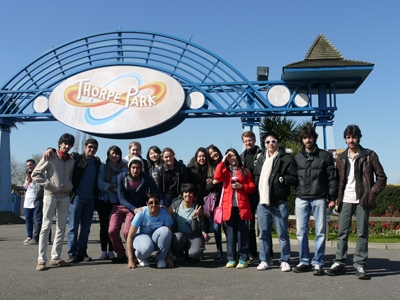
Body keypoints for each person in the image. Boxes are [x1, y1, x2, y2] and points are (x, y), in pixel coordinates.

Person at [325, 125, 387, 279]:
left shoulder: (369, 155)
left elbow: (381, 178)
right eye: (348, 137)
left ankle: (359, 264)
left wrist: (371, 194)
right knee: (342, 233)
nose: (350, 140)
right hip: (345, 199)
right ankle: (339, 262)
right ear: (345, 139)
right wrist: (334, 199)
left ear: (359, 137)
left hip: (362, 201)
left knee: (362, 233)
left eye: (353, 137)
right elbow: (338, 180)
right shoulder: (341, 157)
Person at [293, 125, 338, 275]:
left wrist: (332, 197)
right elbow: (294, 178)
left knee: (320, 231)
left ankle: (318, 262)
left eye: (310, 137)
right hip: (301, 198)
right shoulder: (297, 157)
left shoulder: (325, 156)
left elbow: (332, 178)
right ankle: (304, 261)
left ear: (314, 138)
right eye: (305, 137)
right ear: (302, 139)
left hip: (319, 197)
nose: (308, 140)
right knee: (300, 231)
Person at [253, 132, 298, 272]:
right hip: (263, 202)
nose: (270, 144)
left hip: (279, 201)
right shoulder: (261, 158)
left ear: (277, 142)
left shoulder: (286, 158)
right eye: (267, 142)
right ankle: (264, 260)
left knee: (282, 233)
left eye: (273, 141)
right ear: (264, 144)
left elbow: (295, 178)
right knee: (263, 233)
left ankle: (285, 260)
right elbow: (256, 176)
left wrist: (283, 180)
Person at [32, 133, 75, 271]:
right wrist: (48, 184)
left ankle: (55, 257)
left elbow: (70, 176)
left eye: (69, 144)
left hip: (65, 196)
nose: (67, 146)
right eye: (65, 143)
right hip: (50, 194)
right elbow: (35, 174)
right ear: (60, 143)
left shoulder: (71, 160)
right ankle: (41, 259)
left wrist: (69, 186)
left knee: (61, 227)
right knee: (46, 226)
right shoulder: (50, 156)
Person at [109, 156, 163, 263]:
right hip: (121, 206)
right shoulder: (121, 177)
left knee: (127, 232)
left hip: (136, 208)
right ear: (129, 168)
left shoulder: (145, 177)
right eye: (133, 167)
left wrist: (160, 203)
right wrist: (133, 208)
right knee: (112, 231)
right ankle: (120, 254)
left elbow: (156, 190)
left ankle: (134, 254)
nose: (135, 170)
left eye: (138, 168)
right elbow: (121, 198)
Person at [214, 148, 256, 269]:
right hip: (228, 207)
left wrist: (241, 186)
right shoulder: (225, 171)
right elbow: (217, 176)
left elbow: (252, 187)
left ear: (237, 157)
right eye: (229, 156)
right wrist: (222, 161)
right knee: (230, 234)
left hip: (241, 206)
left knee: (242, 234)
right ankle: (231, 258)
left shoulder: (245, 171)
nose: (231, 158)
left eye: (233, 156)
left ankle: (243, 258)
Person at [240, 131, 273, 265]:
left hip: (261, 193)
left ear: (254, 140)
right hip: (247, 195)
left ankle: (269, 254)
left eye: (250, 140)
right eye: (246, 141)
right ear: (243, 142)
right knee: (249, 227)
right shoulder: (241, 157)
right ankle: (253, 254)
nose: (248, 142)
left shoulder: (263, 154)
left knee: (264, 226)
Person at [66, 138, 101, 263]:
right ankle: (72, 254)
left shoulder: (97, 162)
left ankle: (82, 252)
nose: (92, 149)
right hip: (76, 198)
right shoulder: (76, 158)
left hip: (90, 199)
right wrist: (51, 149)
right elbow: (63, 153)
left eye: (95, 148)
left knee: (86, 228)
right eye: (90, 147)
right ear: (85, 147)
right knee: (73, 227)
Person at [126, 193, 174, 269]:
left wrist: (169, 257)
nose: (154, 205)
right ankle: (141, 257)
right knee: (146, 248)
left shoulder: (165, 213)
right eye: (151, 202)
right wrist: (130, 260)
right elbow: (130, 236)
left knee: (166, 231)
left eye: (156, 202)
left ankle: (161, 258)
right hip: (142, 237)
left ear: (160, 203)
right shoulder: (141, 213)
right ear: (146, 203)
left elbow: (170, 237)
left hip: (155, 238)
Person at [97, 145, 127, 260]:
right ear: (108, 155)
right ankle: (104, 251)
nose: (114, 155)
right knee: (103, 226)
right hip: (103, 200)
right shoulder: (102, 167)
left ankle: (111, 250)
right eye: (112, 153)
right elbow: (99, 184)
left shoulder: (124, 169)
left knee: (113, 227)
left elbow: (123, 186)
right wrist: (113, 186)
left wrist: (109, 187)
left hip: (116, 201)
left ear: (120, 155)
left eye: (116, 153)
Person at [171, 184, 205, 265]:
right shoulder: (176, 205)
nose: (188, 195)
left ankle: (193, 256)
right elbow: (167, 211)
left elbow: (196, 231)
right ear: (182, 194)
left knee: (195, 253)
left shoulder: (198, 208)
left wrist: (194, 218)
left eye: (190, 193)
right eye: (185, 192)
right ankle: (179, 255)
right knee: (177, 237)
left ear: (193, 195)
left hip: (193, 235)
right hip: (180, 235)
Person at [25, 159, 51, 246]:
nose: (29, 167)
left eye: (30, 165)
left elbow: (40, 188)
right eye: (28, 166)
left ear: (35, 164)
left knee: (40, 219)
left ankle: (37, 238)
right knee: (41, 218)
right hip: (35, 199)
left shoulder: (38, 173)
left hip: (40, 198)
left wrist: (37, 197)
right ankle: (41, 238)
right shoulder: (31, 175)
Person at [187, 147, 212, 241]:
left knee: (205, 220)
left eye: (203, 156)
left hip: (205, 197)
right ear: (196, 157)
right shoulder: (190, 168)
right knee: (195, 220)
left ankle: (204, 238)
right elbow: (187, 183)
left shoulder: (209, 168)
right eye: (199, 156)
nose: (202, 158)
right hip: (194, 197)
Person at [206, 145, 225, 261]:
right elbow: (207, 187)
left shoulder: (225, 164)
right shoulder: (209, 168)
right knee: (217, 227)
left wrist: (216, 180)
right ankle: (219, 251)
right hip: (215, 201)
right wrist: (214, 181)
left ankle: (232, 252)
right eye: (211, 153)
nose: (214, 154)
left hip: (227, 199)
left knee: (228, 228)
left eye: (215, 151)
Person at [22, 169, 35, 245]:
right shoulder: (27, 180)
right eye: (27, 174)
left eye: (29, 174)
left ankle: (37, 237)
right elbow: (25, 188)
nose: (28, 175)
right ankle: (29, 236)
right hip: (27, 202)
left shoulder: (37, 179)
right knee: (28, 220)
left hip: (35, 201)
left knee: (37, 220)